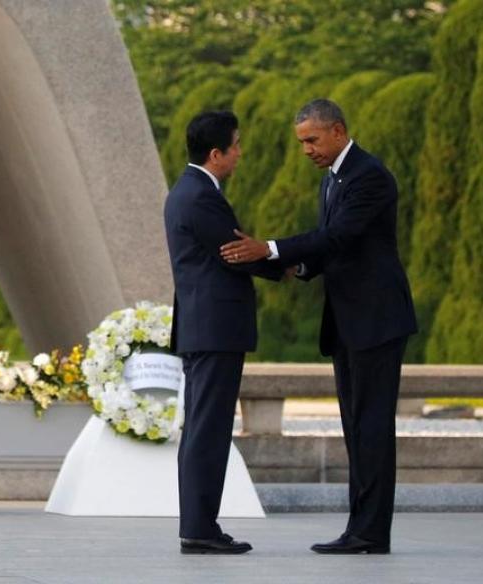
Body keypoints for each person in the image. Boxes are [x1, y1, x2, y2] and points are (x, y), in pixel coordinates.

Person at [220, 99, 417, 554]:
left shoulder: (369, 175)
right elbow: (332, 249)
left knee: (370, 427)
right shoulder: (332, 180)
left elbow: (338, 236)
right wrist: (298, 268)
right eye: (302, 142)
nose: (306, 150)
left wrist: (269, 249)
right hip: (349, 321)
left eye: (312, 140)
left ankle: (369, 533)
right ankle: (359, 530)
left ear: (338, 131)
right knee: (356, 426)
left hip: (377, 320)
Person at [164, 111, 284, 555]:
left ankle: (198, 525)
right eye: (235, 145)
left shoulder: (189, 190)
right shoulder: (200, 196)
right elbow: (237, 253)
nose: (240, 152)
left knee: (203, 428)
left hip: (204, 328)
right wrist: (288, 260)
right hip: (215, 329)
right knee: (208, 430)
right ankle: (199, 529)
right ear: (216, 154)